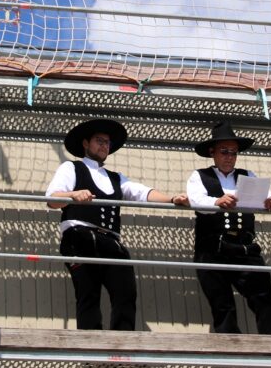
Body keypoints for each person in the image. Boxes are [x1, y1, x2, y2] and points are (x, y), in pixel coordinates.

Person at [46, 118, 189, 330]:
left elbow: (141, 192)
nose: (104, 145)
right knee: (88, 294)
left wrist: (171, 199)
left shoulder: (115, 177)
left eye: (107, 142)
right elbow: (52, 199)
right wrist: (73, 195)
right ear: (86, 143)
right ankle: (91, 352)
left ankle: (122, 347)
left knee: (125, 293)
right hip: (80, 237)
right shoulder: (71, 168)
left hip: (111, 242)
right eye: (99, 140)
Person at [186, 120, 271, 334]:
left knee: (266, 299)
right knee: (223, 306)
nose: (229, 157)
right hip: (213, 249)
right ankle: (232, 362)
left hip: (244, 248)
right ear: (213, 152)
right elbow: (195, 201)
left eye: (233, 152)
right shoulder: (199, 176)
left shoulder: (247, 175)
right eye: (224, 151)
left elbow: (269, 197)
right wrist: (216, 202)